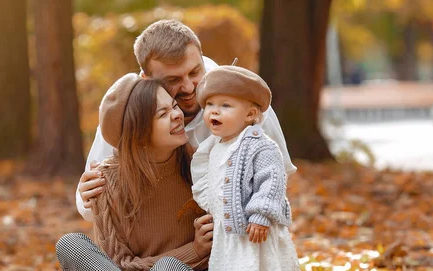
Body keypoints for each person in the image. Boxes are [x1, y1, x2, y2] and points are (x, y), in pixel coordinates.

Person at [56, 74, 232, 271]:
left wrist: (203, 249)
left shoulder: (201, 167)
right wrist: (192, 249)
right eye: (163, 113)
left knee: (169, 268)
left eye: (174, 106)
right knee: (70, 244)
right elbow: (118, 268)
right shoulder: (106, 183)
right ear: (137, 131)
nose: (178, 115)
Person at [76, 20, 295, 222]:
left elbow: (278, 176)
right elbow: (88, 205)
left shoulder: (243, 98)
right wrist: (88, 197)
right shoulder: (126, 111)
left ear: (201, 57)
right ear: (147, 80)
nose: (189, 87)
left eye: (194, 72)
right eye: (173, 80)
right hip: (159, 238)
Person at [190, 66, 321, 271]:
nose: (214, 111)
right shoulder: (215, 146)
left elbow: (272, 180)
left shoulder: (258, 145)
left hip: (254, 228)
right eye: (210, 104)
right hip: (233, 231)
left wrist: (260, 214)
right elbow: (207, 178)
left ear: (250, 114)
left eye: (225, 105)